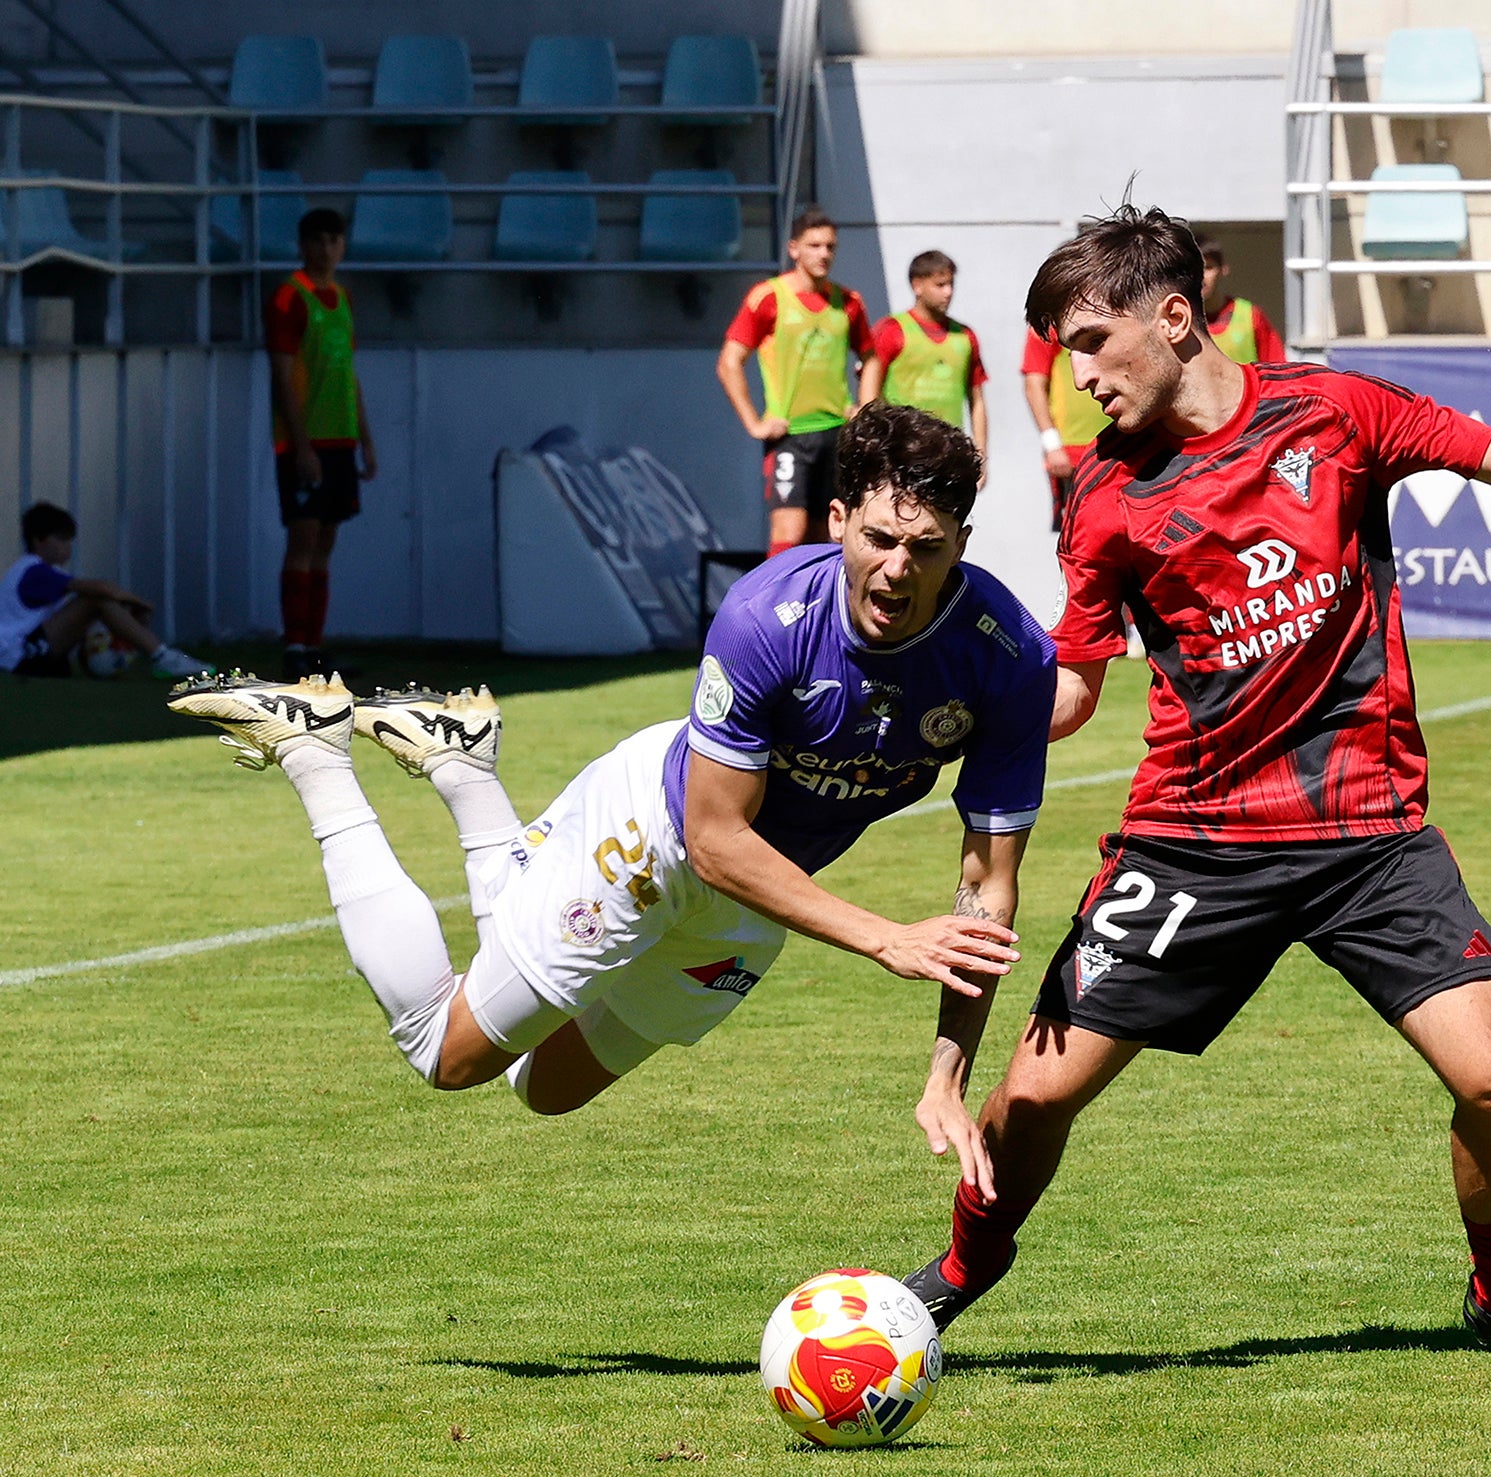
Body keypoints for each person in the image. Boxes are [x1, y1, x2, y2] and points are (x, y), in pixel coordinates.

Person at [905, 206, 1491, 1357]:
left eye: (1091, 342)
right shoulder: (1103, 499)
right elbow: (1075, 689)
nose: (1077, 377)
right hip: (1192, 841)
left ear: (1171, 316)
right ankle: (948, 1280)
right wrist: (942, 712)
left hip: (1367, 834)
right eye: (1061, 354)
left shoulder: (1335, 413)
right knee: (1037, 1100)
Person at [168, 405, 1055, 1175]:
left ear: (961, 547)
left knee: (543, 1087)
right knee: (451, 1053)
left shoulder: (1007, 658)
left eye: (925, 548)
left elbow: (988, 889)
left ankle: (466, 769)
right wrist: (882, 936)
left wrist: (946, 1073)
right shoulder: (767, 616)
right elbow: (713, 838)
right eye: (879, 539)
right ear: (836, 522)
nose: (897, 568)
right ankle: (316, 753)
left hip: (759, 902)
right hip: (656, 839)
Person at [718, 207, 879, 554]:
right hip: (791, 435)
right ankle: (774, 606)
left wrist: (864, 409)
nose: (824, 254)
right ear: (794, 248)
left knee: (829, 533)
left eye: (830, 247)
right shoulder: (769, 297)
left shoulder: (848, 302)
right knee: (790, 529)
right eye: (814, 245)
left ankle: (818, 608)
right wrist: (754, 422)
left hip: (836, 433)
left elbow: (870, 356)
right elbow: (730, 362)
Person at [266, 207, 378, 682]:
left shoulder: (343, 298)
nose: (328, 249)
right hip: (305, 442)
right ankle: (294, 647)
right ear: (304, 245)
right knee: (304, 536)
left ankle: (314, 647)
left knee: (326, 540)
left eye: (336, 240)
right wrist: (301, 444)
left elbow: (348, 375)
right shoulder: (290, 298)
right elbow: (283, 376)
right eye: (320, 240)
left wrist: (366, 441)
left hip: (340, 441)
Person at [1, 502, 209, 678]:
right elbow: (99, 588)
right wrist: (139, 603)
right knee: (94, 601)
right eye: (61, 539)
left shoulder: (35, 570)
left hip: (27, 651)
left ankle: (137, 655)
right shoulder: (34, 571)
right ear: (38, 540)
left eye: (69, 541)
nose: (67, 547)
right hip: (19, 657)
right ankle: (164, 657)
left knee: (95, 608)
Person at [860, 250, 988, 471]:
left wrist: (981, 457)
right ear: (917, 285)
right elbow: (869, 393)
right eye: (940, 285)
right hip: (901, 453)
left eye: (950, 285)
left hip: (949, 452)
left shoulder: (965, 337)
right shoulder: (891, 330)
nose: (948, 292)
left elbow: (977, 401)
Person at [1021, 324, 1109, 531]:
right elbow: (1034, 385)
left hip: (1123, 448)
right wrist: (1052, 445)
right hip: (1072, 454)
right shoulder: (1049, 323)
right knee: (1078, 534)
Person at [1196, 232, 1285, 364]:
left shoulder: (1250, 316)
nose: (1201, 277)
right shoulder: (1178, 321)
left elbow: (1277, 369)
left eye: (1208, 268)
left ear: (1223, 270)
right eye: (1194, 268)